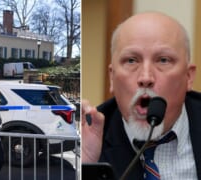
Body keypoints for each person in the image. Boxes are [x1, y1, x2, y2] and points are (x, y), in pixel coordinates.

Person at [82, 11, 201, 179]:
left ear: (188, 77)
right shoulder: (91, 138)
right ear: (112, 77)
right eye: (131, 60)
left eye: (163, 60)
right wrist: (85, 168)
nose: (146, 78)